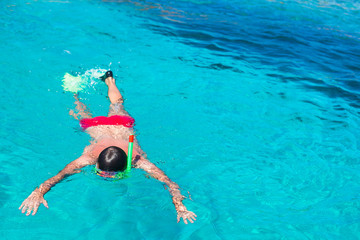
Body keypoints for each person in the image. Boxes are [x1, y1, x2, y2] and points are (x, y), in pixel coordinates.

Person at [19, 71, 197, 224]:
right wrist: (38, 192)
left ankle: (76, 93)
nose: (106, 177)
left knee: (94, 109)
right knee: (115, 104)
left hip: (104, 126)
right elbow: (170, 183)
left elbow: (60, 175)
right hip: (119, 125)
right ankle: (104, 82)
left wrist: (181, 208)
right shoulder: (136, 161)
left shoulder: (126, 160)